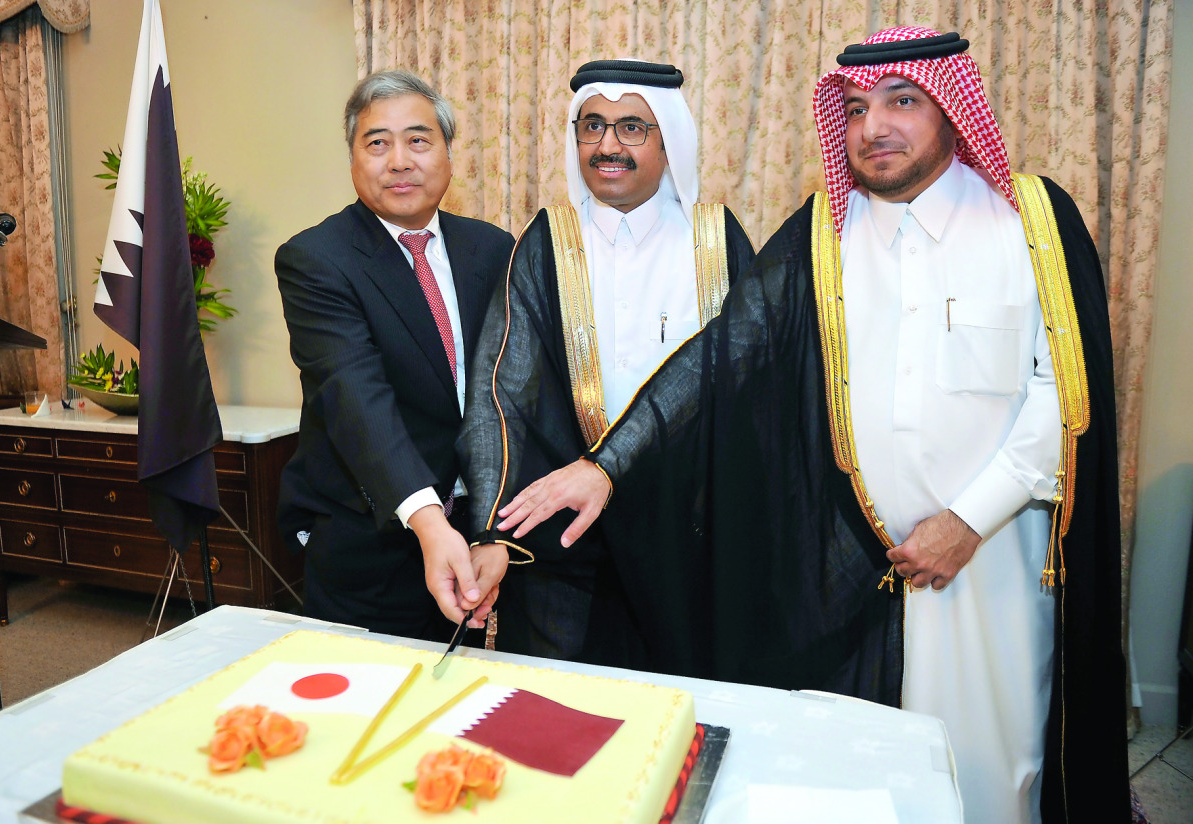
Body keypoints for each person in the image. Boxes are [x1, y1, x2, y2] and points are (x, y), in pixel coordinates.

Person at [492, 28, 1127, 824]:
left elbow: (1060, 394)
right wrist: (609, 464)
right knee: (863, 767)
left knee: (993, 767)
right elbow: (724, 354)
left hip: (988, 562)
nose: (874, 128)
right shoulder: (827, 229)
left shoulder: (1029, 220)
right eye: (856, 108)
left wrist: (968, 519)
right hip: (851, 567)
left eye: (902, 102)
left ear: (952, 109)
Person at [451, 60, 756, 663]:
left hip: (685, 534)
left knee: (677, 719)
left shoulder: (715, 240)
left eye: (631, 128)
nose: (608, 145)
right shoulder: (546, 239)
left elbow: (745, 380)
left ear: (668, 142)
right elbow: (500, 392)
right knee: (549, 720)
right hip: (564, 544)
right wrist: (489, 528)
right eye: (592, 126)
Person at [274, 70, 513, 641]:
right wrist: (430, 524)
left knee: (467, 713)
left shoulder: (494, 248)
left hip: (479, 533)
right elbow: (355, 396)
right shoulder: (317, 259)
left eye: (419, 140)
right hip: (373, 537)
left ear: (448, 154)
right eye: (377, 142)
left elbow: (516, 395)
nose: (399, 160)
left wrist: (495, 529)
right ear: (353, 159)